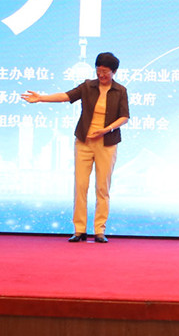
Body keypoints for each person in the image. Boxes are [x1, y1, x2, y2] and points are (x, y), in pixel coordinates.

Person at [23, 52, 131, 243]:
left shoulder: (120, 91)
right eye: (98, 70)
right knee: (80, 186)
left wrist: (106, 129)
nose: (101, 75)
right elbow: (66, 96)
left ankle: (100, 230)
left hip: (107, 143)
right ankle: (79, 229)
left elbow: (124, 117)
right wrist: (41, 98)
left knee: (102, 188)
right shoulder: (88, 86)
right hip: (84, 142)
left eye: (105, 72)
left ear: (114, 72)